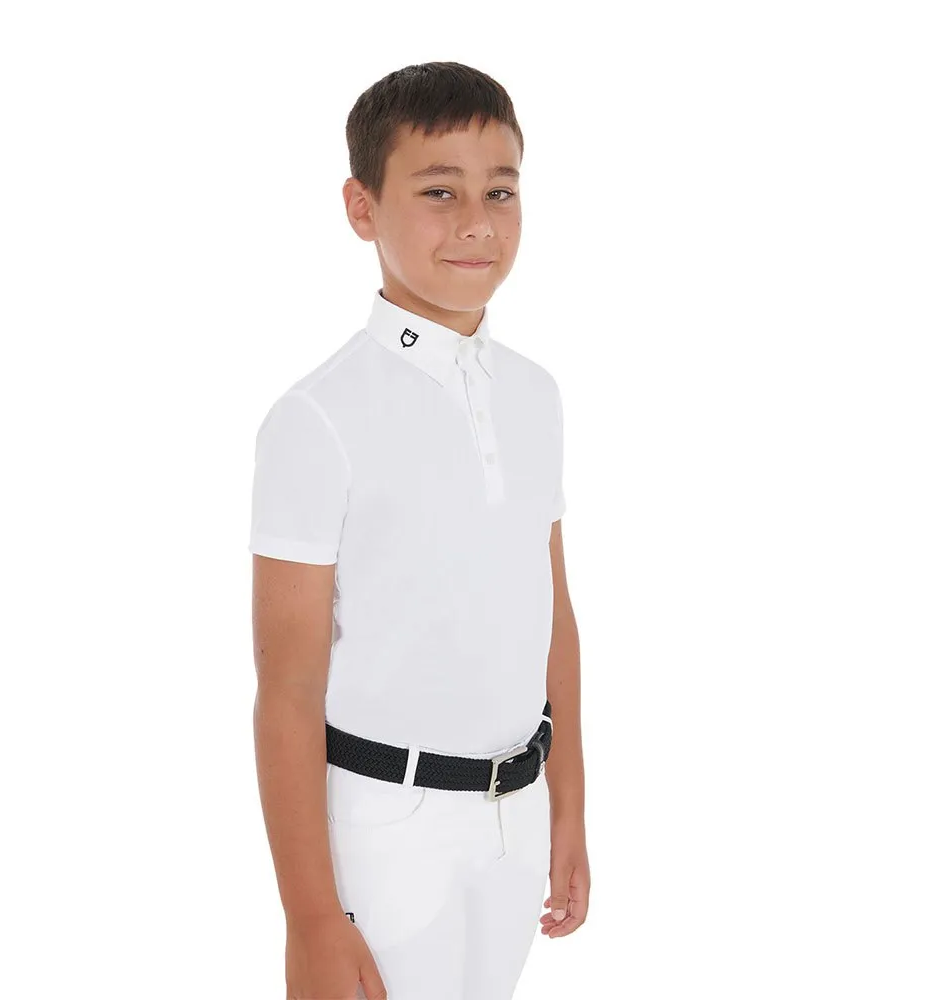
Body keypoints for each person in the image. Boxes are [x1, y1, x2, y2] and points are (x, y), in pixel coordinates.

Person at [250, 60, 590, 999]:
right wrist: (311, 917)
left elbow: (551, 611)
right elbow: (287, 685)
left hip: (515, 820)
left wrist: (567, 804)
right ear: (362, 208)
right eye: (439, 191)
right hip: (385, 832)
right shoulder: (317, 419)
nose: (477, 221)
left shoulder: (534, 395)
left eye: (500, 190)